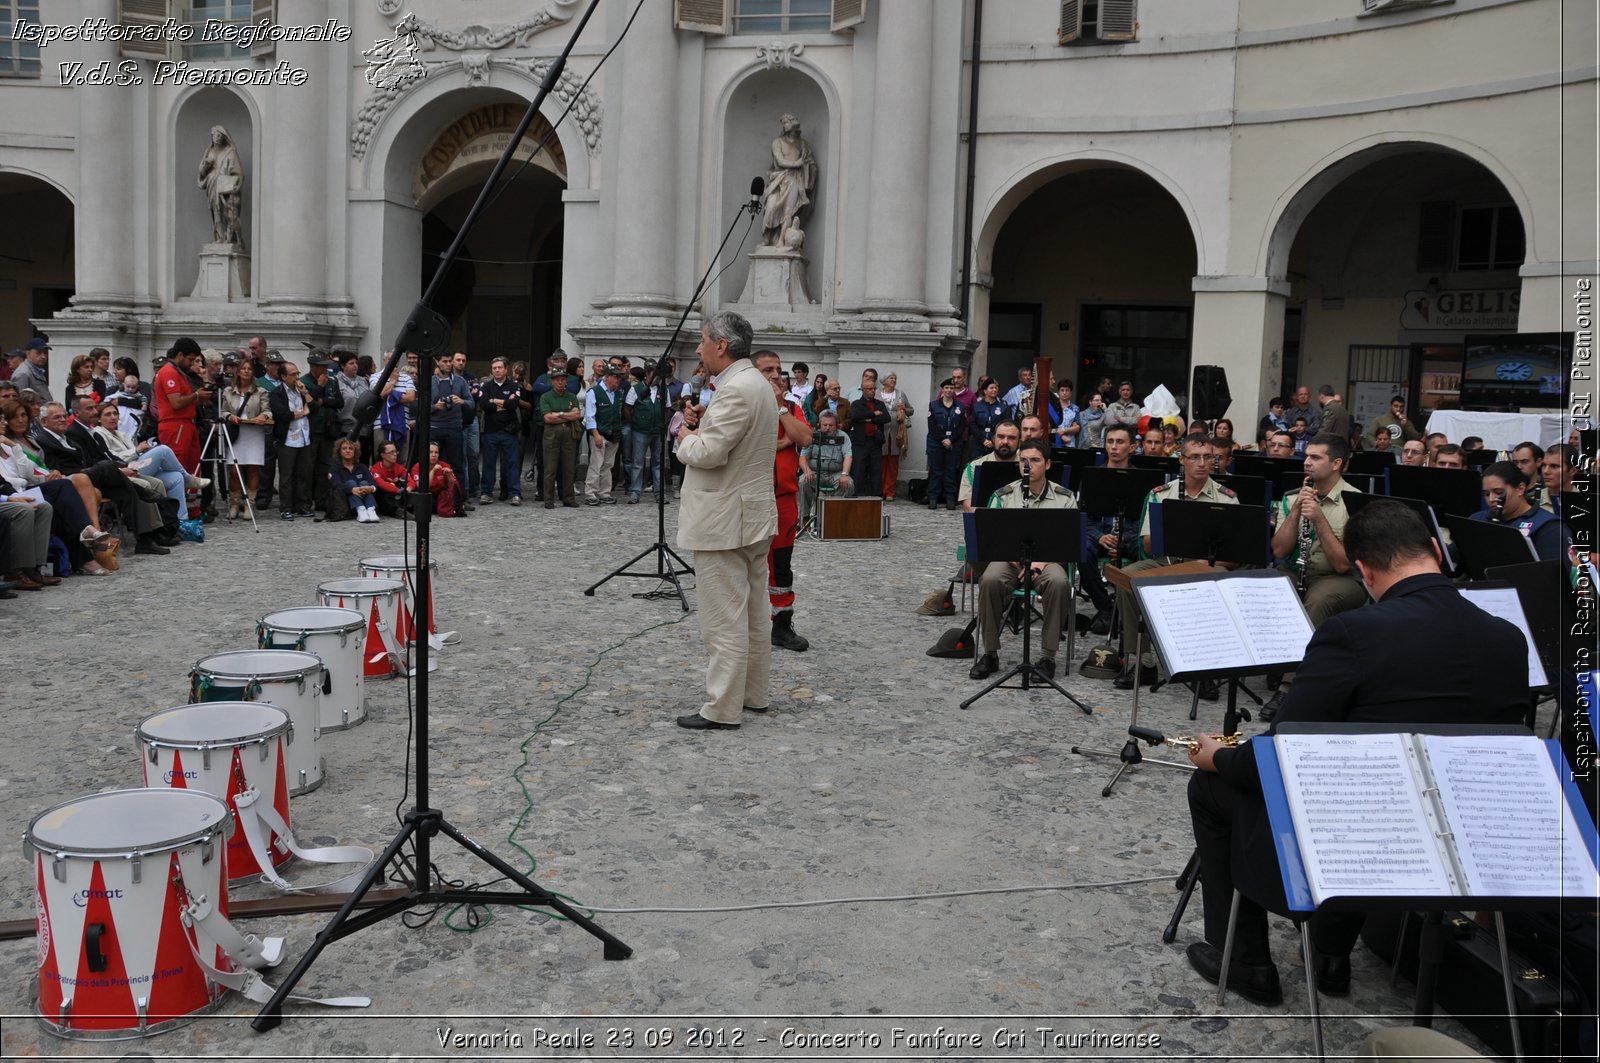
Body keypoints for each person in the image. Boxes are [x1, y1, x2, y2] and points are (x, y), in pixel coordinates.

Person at [1184, 501, 1530, 1006]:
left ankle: (1246, 960)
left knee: (1214, 787)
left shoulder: (1354, 633)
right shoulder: (1508, 638)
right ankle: (1330, 955)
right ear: (1435, 550)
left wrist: (1218, 757)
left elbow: (1283, 756)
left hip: (1360, 842)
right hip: (1458, 843)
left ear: (1364, 572)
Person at [673, 311, 778, 730]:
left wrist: (684, 438)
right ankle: (753, 695)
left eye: (702, 341)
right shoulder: (757, 384)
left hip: (724, 519)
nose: (698, 349)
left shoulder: (737, 389)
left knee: (723, 618)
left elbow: (709, 454)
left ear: (721, 344)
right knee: (753, 611)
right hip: (749, 513)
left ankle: (722, 708)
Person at [1114, 434, 1239, 689]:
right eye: (1195, 457)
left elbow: (1235, 555)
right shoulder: (1161, 495)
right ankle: (1143, 661)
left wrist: (1204, 562)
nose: (1202, 463)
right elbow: (1148, 547)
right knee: (1127, 579)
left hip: (1207, 566)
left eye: (1208, 457)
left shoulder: (1226, 498)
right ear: (1182, 460)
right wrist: (1174, 520)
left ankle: (1204, 669)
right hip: (1166, 562)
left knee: (1212, 586)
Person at [1261, 432, 1368, 720]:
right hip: (1296, 567)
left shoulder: (1355, 502)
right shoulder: (1292, 497)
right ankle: (1267, 663)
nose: (1306, 462)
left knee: (1318, 601)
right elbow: (1280, 549)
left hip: (1339, 578)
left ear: (1336, 463)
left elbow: (1343, 564)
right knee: (1258, 588)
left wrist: (1319, 518)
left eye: (1315, 457)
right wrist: (1296, 511)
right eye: (1306, 456)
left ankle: (1289, 687)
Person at [969, 439, 1077, 682]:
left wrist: (1040, 564)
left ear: (1048, 464)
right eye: (1024, 460)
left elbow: (1068, 541)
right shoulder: (1003, 495)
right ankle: (990, 653)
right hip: (1010, 560)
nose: (1028, 465)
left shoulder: (1065, 498)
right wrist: (1016, 560)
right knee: (990, 579)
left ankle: (1048, 656)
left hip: (1049, 562)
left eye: (1035, 460)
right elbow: (992, 538)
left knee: (1059, 583)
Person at [755, 350, 813, 653]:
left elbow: (804, 438)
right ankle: (745, 626)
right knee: (745, 564)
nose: (776, 375)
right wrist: (781, 441)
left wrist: (780, 410)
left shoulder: (790, 405)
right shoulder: (743, 404)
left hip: (784, 497)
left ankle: (781, 625)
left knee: (781, 565)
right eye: (767, 370)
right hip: (750, 497)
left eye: (778, 369)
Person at [1078, 424, 1141, 635]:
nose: (1113, 447)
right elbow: (1084, 516)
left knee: (1145, 552)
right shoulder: (1093, 477)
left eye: (1120, 442)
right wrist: (1099, 536)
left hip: (1129, 536)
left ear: (1132, 447)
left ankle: (1137, 610)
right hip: (1100, 535)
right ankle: (1106, 607)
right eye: (1110, 442)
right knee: (1082, 550)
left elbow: (1144, 519)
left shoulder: (1142, 479)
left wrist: (1124, 538)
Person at [1473, 460, 1570, 562]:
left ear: (1520, 489)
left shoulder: (1550, 527)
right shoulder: (1477, 519)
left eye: (1498, 492)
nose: (1491, 499)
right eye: (1486, 494)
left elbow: (1554, 574)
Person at [219, 356, 271, 519]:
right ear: (238, 371)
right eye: (243, 369)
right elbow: (223, 411)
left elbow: (268, 410)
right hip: (236, 432)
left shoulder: (260, 391)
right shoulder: (228, 391)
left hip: (254, 432)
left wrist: (263, 416)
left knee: (253, 469)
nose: (246, 371)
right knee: (234, 470)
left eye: (249, 369)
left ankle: (249, 503)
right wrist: (229, 417)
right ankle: (235, 503)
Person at [154, 337, 212, 473]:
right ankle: (178, 494)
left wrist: (201, 397)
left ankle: (189, 494)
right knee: (178, 465)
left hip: (186, 423)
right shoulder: (169, 372)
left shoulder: (180, 373)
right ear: (180, 355)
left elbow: (186, 401)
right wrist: (196, 395)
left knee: (193, 467)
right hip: (175, 424)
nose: (191, 363)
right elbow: (176, 402)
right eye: (190, 359)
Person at [760, 114, 818, 247]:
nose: (784, 125)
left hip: (794, 179)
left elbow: (811, 163)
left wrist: (810, 170)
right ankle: (767, 239)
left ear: (793, 125)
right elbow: (780, 160)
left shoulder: (803, 144)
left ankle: (781, 241)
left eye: (786, 122)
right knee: (770, 207)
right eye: (784, 123)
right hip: (778, 179)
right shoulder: (777, 142)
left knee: (789, 211)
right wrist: (797, 163)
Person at [268, 360, 314, 520]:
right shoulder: (277, 393)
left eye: (297, 374)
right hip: (287, 438)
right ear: (283, 376)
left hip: (304, 436)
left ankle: (302, 505)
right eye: (293, 374)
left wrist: (306, 393)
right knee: (286, 475)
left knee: (304, 473)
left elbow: (314, 408)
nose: (296, 377)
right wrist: (302, 413)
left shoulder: (301, 391)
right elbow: (283, 414)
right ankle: (286, 507)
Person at [301, 349, 344, 512]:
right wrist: (319, 388)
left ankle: (322, 500)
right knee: (308, 466)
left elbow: (339, 402)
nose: (326, 369)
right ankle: (305, 500)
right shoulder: (304, 381)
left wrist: (323, 401)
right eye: (322, 366)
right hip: (312, 429)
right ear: (313, 366)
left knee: (325, 466)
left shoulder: (333, 380)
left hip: (329, 429)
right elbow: (309, 404)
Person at [798, 409, 852, 533]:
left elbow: (848, 456)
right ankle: (804, 518)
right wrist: (807, 470)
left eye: (831, 425)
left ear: (837, 425)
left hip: (836, 473)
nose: (827, 428)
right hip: (816, 473)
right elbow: (803, 457)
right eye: (824, 425)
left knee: (848, 484)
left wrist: (844, 474)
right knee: (802, 481)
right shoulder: (811, 435)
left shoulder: (843, 436)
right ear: (819, 425)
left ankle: (832, 517)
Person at [539, 366, 583, 508]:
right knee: (550, 468)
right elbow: (547, 418)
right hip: (552, 434)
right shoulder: (546, 397)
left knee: (569, 468)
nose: (560, 382)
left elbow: (577, 415)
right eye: (557, 380)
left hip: (569, 434)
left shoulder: (571, 397)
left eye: (562, 380)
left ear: (566, 382)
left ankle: (569, 498)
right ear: (552, 382)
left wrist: (558, 414)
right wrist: (566, 415)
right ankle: (548, 499)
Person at [582, 364, 624, 506]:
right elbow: (590, 416)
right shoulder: (594, 392)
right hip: (600, 433)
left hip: (614, 434)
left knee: (608, 465)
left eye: (619, 377)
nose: (618, 380)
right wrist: (596, 434)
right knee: (596, 464)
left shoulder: (619, 393)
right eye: (616, 377)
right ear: (607, 377)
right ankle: (590, 492)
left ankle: (604, 492)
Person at [959, 419, 1020, 512]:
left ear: (1019, 442)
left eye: (1011, 438)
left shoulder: (1029, 466)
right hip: (986, 522)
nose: (1005, 441)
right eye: (1001, 436)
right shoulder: (974, 467)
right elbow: (968, 506)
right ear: (993, 439)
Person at [197, 125, 244, 245]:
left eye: (220, 135)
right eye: (215, 135)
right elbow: (201, 173)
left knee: (228, 213)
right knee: (215, 211)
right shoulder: (209, 152)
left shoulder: (230, 152)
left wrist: (232, 184)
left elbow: (238, 174)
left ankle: (230, 239)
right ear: (211, 136)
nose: (217, 137)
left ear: (224, 138)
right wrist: (204, 168)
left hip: (225, 190)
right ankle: (220, 237)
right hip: (212, 185)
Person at [925, 378, 967, 509]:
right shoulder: (933, 405)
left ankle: (950, 497)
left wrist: (951, 440)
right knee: (936, 470)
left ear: (954, 390)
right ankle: (933, 497)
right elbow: (932, 426)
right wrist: (943, 439)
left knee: (951, 470)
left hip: (954, 442)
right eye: (947, 388)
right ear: (942, 390)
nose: (949, 390)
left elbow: (962, 426)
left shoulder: (960, 406)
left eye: (952, 388)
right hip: (936, 442)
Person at [848, 375, 890, 498]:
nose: (872, 391)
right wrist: (873, 414)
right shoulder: (857, 403)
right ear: (863, 389)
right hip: (861, 442)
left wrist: (868, 419)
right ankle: (858, 493)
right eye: (870, 389)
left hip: (875, 442)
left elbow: (886, 418)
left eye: (874, 389)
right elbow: (855, 416)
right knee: (859, 469)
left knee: (876, 469)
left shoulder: (879, 404)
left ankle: (877, 495)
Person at [878, 371, 914, 500]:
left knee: (893, 462)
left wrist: (904, 408)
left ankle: (890, 491)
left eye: (895, 378)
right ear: (884, 380)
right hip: (880, 432)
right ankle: (880, 489)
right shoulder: (877, 393)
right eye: (891, 378)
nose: (893, 380)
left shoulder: (900, 394)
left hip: (896, 433)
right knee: (881, 462)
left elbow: (911, 410)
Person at [333, 349, 373, 463]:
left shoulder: (363, 381)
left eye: (356, 363)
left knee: (363, 461)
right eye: (351, 363)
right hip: (346, 428)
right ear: (342, 365)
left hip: (363, 428)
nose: (355, 366)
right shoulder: (336, 381)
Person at [330, 438, 381, 522]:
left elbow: (373, 483)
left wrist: (370, 488)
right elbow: (336, 485)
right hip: (344, 503)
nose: (347, 451)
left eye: (351, 448)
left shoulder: (362, 467)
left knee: (364, 483)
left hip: (364, 497)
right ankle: (361, 510)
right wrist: (352, 489)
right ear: (339, 451)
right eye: (344, 448)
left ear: (355, 451)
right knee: (351, 483)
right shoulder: (335, 468)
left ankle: (371, 510)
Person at [409, 440, 464, 517]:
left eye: (436, 452)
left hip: (439, 496)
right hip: (424, 495)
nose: (434, 455)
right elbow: (422, 487)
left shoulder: (444, 465)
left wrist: (448, 476)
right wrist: (433, 471)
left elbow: (452, 486)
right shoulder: (417, 467)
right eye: (430, 452)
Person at [969, 379, 1009, 461]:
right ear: (985, 391)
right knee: (977, 466)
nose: (994, 390)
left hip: (995, 443)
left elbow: (1005, 426)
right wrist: (983, 440)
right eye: (991, 388)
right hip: (978, 442)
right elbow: (973, 424)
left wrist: (992, 440)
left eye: (996, 388)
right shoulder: (976, 406)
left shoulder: (1003, 407)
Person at [371, 440, 408, 517]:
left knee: (405, 484)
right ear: (383, 455)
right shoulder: (375, 468)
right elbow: (380, 483)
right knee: (384, 492)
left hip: (397, 495)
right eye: (391, 452)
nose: (394, 454)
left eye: (395, 451)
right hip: (382, 498)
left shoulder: (399, 468)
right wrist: (398, 490)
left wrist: (408, 489)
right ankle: (399, 512)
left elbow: (410, 480)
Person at [10, 338, 52, 403]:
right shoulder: (23, 373)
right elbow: (20, 401)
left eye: (45, 353)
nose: (43, 356)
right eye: (38, 353)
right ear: (28, 354)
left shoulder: (37, 370)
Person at [1047, 380, 1081, 448]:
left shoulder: (1075, 408)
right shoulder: (1053, 407)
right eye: (1062, 390)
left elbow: (1077, 428)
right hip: (1053, 441)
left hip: (1069, 443)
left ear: (1071, 392)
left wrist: (1064, 431)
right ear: (1058, 392)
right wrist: (1061, 435)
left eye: (1067, 390)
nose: (1064, 393)